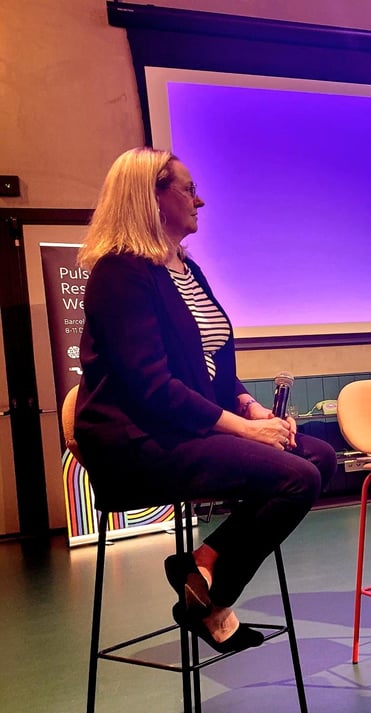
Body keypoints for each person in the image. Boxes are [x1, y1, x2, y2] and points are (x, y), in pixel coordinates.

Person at [74, 147, 337, 653]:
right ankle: (211, 600)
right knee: (295, 475)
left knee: (318, 457)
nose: (201, 200)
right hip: (137, 442)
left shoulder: (187, 270)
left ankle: (203, 569)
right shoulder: (120, 273)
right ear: (151, 196)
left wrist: (248, 405)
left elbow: (212, 368)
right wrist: (244, 431)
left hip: (185, 429)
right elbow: (152, 388)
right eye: (188, 189)